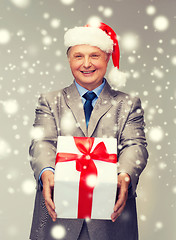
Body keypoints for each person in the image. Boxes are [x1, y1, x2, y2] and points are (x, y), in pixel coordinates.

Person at [29, 22, 148, 240]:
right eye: (78, 56)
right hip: (59, 217)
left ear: (107, 58)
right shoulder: (50, 101)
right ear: (69, 59)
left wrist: (125, 175)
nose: (86, 64)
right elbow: (42, 142)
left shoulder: (128, 104)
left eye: (94, 55)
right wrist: (47, 171)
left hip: (110, 221)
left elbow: (135, 145)